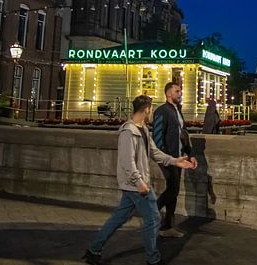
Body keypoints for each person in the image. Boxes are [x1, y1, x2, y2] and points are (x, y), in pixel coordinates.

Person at [83, 95, 194, 265]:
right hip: (137, 185)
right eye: (150, 109)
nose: (151, 112)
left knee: (118, 218)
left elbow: (154, 152)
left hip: (136, 183)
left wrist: (175, 161)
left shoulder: (143, 129)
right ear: (147, 109)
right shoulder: (128, 132)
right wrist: (139, 182)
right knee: (153, 219)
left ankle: (93, 250)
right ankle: (153, 259)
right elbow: (128, 163)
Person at [153, 82, 198, 238]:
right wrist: (168, 158)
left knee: (174, 190)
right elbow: (157, 137)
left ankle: (167, 226)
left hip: (179, 157)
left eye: (180, 91)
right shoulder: (161, 111)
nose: (180, 93)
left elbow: (183, 134)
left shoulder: (177, 111)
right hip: (168, 158)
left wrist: (190, 154)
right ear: (168, 94)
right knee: (173, 189)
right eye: (177, 91)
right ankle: (151, 212)